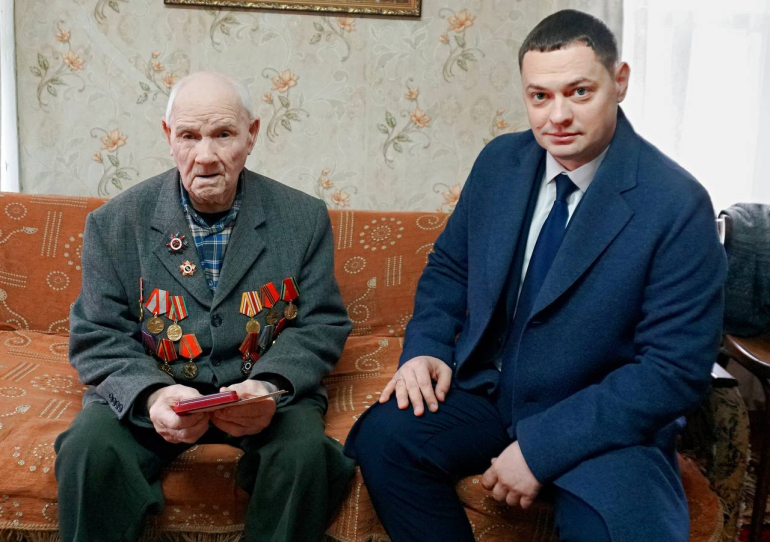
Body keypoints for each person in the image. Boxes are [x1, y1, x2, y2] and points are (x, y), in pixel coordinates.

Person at [345, 9, 726, 542]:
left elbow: (672, 371)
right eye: (540, 96)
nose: (558, 116)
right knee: (385, 439)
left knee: (618, 531)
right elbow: (450, 267)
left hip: (598, 418)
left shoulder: (678, 204)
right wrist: (426, 347)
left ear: (619, 82)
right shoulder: (499, 162)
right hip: (488, 392)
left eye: (579, 92)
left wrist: (541, 449)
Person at [54, 71, 355, 542]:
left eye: (223, 134)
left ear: (251, 135)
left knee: (306, 455)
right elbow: (98, 333)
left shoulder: (303, 217)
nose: (206, 155)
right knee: (88, 449)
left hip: (259, 395)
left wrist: (269, 386)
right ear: (168, 136)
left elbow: (320, 323)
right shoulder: (114, 224)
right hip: (156, 392)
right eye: (189, 136)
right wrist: (154, 396)